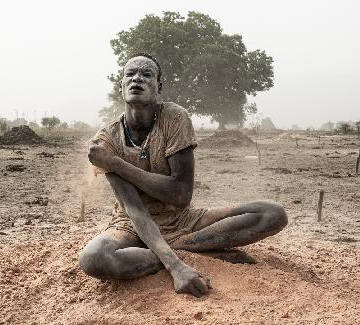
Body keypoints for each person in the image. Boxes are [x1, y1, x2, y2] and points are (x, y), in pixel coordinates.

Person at [79, 53, 287, 297]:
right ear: (121, 85)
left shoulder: (175, 118)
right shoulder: (106, 140)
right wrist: (176, 267)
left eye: (147, 74)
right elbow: (134, 209)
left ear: (158, 87)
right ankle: (187, 251)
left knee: (272, 213)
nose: (137, 79)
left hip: (182, 219)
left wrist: (117, 164)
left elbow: (180, 195)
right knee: (93, 258)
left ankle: (179, 247)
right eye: (130, 74)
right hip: (132, 227)